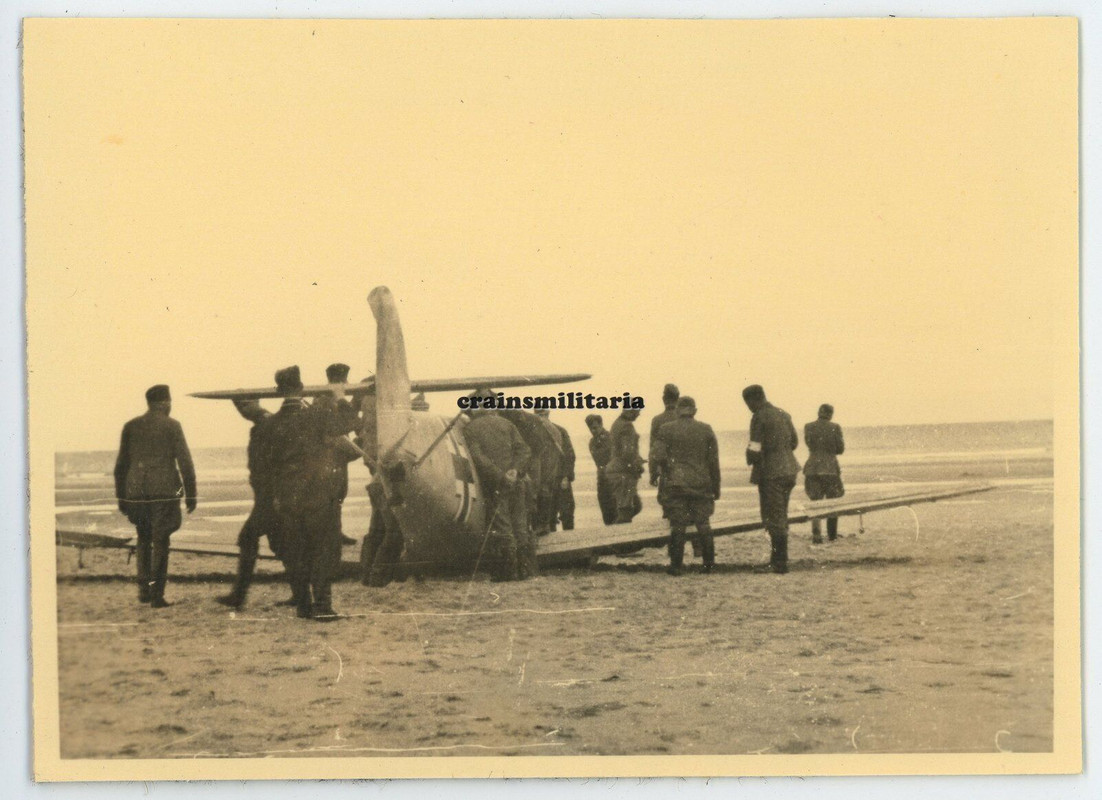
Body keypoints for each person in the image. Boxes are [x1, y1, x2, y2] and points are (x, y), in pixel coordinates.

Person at [262, 366, 346, 620]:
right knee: (323, 550)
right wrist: (340, 396)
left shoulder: (272, 424)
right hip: (318, 495)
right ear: (301, 388)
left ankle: (303, 606)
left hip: (288, 498)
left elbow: (268, 466)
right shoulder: (316, 416)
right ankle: (322, 605)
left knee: (296, 553)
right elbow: (350, 422)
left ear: (279, 391)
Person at [114, 384, 197, 607]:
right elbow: (185, 462)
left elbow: (121, 465)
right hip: (164, 491)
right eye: (169, 402)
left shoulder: (130, 426)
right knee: (161, 541)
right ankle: (157, 595)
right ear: (165, 403)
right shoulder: (172, 426)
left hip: (137, 492)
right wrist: (191, 495)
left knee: (143, 539)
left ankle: (143, 590)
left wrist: (121, 498)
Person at [216, 398, 281, 609]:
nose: (242, 411)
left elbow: (276, 461)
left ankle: (239, 595)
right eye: (238, 408)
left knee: (247, 538)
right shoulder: (263, 423)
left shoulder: (268, 424)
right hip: (265, 495)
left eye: (244, 405)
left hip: (271, 496)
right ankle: (302, 595)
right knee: (282, 545)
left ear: (256, 402)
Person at [463, 396, 532, 581]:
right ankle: (525, 570)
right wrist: (515, 471)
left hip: (496, 484)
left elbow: (478, 458)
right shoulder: (508, 424)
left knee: (502, 526)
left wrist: (500, 476)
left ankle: (508, 573)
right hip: (516, 482)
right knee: (520, 524)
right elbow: (524, 450)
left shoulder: (471, 428)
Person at [651, 396, 721, 575]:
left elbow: (657, 455)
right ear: (694, 411)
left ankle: (676, 566)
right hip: (701, 483)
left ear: (677, 411)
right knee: (703, 524)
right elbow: (713, 462)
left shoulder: (666, 429)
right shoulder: (706, 429)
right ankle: (709, 564)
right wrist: (716, 488)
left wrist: (667, 471)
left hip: (676, 483)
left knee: (678, 525)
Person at [743, 384, 800, 574]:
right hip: (789, 469)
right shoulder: (783, 414)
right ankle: (778, 560)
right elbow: (794, 442)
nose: (748, 407)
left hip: (771, 473)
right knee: (781, 515)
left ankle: (779, 563)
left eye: (748, 403)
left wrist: (750, 457)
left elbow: (755, 449)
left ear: (752, 400)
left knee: (773, 517)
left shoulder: (759, 416)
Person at [313, 362, 362, 547]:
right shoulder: (329, 401)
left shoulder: (320, 398)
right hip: (331, 456)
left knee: (336, 496)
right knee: (333, 496)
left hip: (331, 456)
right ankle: (331, 534)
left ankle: (335, 531)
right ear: (342, 380)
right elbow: (349, 423)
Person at [804, 403, 846, 543]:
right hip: (830, 469)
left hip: (813, 467)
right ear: (830, 414)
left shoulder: (808, 427)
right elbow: (840, 449)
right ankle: (832, 535)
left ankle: (816, 535)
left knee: (815, 503)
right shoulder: (835, 427)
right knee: (832, 503)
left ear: (819, 412)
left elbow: (809, 445)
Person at [605, 408, 645, 523]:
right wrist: (637, 466)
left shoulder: (617, 423)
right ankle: (616, 536)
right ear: (630, 411)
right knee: (626, 511)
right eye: (637, 411)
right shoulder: (627, 426)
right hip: (623, 473)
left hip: (616, 470)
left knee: (635, 506)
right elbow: (627, 452)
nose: (639, 414)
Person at [648, 383, 680, 509]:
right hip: (685, 471)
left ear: (663, 399)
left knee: (668, 507)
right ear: (678, 398)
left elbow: (654, 449)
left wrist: (653, 472)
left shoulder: (657, 420)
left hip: (666, 471)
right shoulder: (684, 419)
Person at [586, 415, 617, 525]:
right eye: (591, 428)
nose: (593, 431)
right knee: (606, 511)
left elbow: (607, 457)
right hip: (602, 478)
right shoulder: (592, 442)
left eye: (595, 427)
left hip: (612, 478)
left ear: (601, 425)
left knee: (614, 511)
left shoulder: (610, 438)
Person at [547, 414, 576, 532]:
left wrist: (566, 476)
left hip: (559, 478)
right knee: (548, 516)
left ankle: (570, 544)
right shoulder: (534, 430)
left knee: (567, 513)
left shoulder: (559, 430)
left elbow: (569, 455)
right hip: (547, 480)